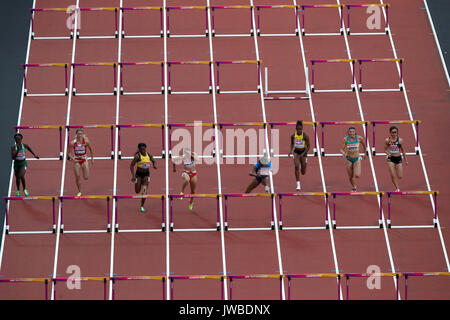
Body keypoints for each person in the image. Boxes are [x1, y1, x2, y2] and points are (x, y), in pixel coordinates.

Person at [130, 143, 157, 213]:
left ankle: (142, 206)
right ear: (139, 150)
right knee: (137, 191)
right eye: (141, 150)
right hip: (138, 174)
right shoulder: (137, 156)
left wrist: (154, 165)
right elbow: (131, 166)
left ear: (146, 148)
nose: (143, 151)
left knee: (144, 192)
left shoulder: (149, 155)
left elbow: (153, 160)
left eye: (144, 149)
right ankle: (138, 183)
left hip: (146, 175)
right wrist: (133, 176)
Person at [339, 127, 367, 192]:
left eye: (353, 132)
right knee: (350, 176)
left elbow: (364, 145)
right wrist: (344, 153)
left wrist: (365, 153)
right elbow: (341, 149)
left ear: (355, 132)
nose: (352, 133)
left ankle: (355, 172)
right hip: (348, 159)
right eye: (350, 132)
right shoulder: (345, 139)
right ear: (348, 133)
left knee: (357, 175)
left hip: (357, 158)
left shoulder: (359, 138)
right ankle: (354, 187)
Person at [68, 128, 93, 196]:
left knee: (86, 177)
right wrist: (73, 159)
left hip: (84, 159)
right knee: (77, 176)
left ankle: (84, 168)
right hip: (77, 160)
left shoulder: (86, 141)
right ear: (76, 134)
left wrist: (92, 159)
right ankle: (79, 191)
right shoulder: (72, 143)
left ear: (83, 134)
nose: (79, 135)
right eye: (78, 134)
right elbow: (69, 153)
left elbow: (91, 149)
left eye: (81, 134)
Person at [287, 120, 310, 190]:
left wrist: (303, 154)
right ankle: (298, 184)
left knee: (303, 172)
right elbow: (292, 144)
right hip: (296, 152)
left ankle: (305, 162)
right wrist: (290, 151)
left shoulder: (305, 136)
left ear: (302, 128)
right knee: (296, 166)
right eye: (298, 129)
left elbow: (309, 146)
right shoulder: (293, 135)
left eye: (300, 129)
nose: (299, 130)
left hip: (304, 152)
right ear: (296, 129)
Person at [384, 126, 408, 191]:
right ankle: (397, 188)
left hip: (398, 158)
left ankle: (397, 186)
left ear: (397, 133)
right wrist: (388, 154)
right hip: (390, 159)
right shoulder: (387, 140)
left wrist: (406, 160)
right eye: (393, 132)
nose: (394, 134)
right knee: (392, 174)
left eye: (395, 132)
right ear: (390, 133)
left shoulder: (400, 140)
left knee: (400, 176)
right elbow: (385, 150)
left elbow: (403, 150)